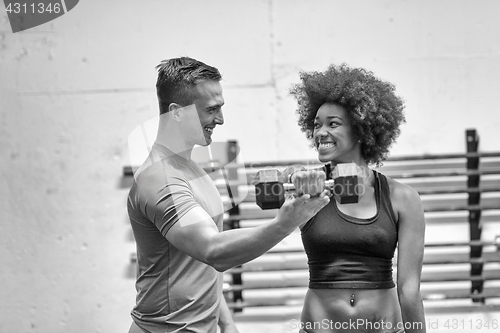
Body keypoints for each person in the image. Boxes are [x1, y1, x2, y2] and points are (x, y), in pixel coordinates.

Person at [127, 57, 330, 333]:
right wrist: (285, 223)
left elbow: (197, 264)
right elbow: (213, 252)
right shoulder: (160, 179)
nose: (220, 119)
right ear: (176, 112)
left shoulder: (190, 169)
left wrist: (226, 322)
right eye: (211, 110)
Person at [288, 64, 426, 333]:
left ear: (362, 129)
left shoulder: (402, 198)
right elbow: (286, 179)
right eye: (316, 125)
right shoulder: (307, 188)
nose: (320, 133)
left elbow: (409, 292)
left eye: (333, 124)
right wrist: (292, 174)